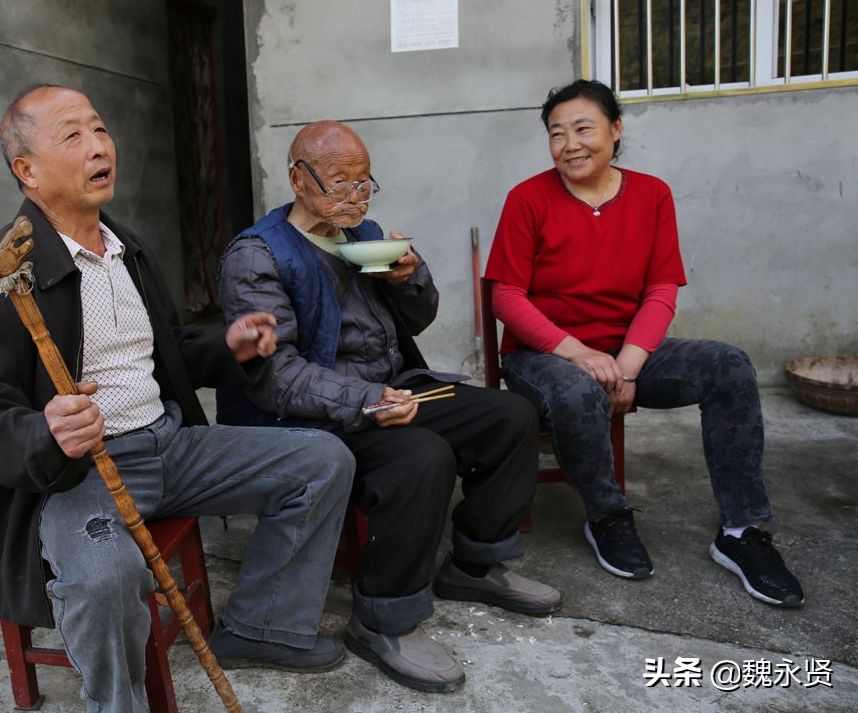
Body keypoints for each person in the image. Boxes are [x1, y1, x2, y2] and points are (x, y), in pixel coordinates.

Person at [0, 85, 357, 713]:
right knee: (105, 577)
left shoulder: (127, 248)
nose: (99, 146)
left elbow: (165, 351)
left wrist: (229, 348)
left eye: (100, 129)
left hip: (169, 443)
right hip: (80, 474)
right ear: (28, 171)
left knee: (322, 461)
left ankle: (263, 626)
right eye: (72, 135)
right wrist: (42, 430)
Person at [215, 120, 561, 694]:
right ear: (298, 180)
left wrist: (410, 276)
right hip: (313, 413)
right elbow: (276, 377)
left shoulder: (364, 233)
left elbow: (414, 322)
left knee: (511, 416)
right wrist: (367, 399)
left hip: (393, 385)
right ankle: (383, 617)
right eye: (338, 184)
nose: (354, 198)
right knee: (420, 457)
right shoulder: (258, 256)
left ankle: (474, 564)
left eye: (364, 183)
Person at [483, 78, 804, 607]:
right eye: (556, 133)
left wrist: (628, 365)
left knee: (727, 365)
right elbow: (507, 299)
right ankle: (607, 515)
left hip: (624, 350)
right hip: (541, 355)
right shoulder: (527, 199)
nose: (570, 144)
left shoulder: (653, 194)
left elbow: (660, 289)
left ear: (615, 129)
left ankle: (742, 531)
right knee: (576, 390)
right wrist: (580, 353)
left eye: (583, 128)